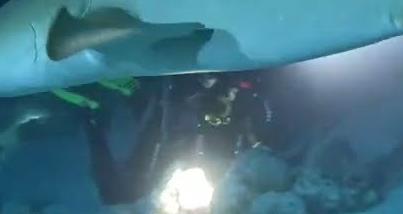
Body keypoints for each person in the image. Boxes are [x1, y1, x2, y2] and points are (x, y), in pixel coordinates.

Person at [54, 72, 273, 206]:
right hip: (168, 121)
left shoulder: (229, 106)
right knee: (121, 189)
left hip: (172, 126)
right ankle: (97, 112)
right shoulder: (190, 102)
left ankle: (99, 111)